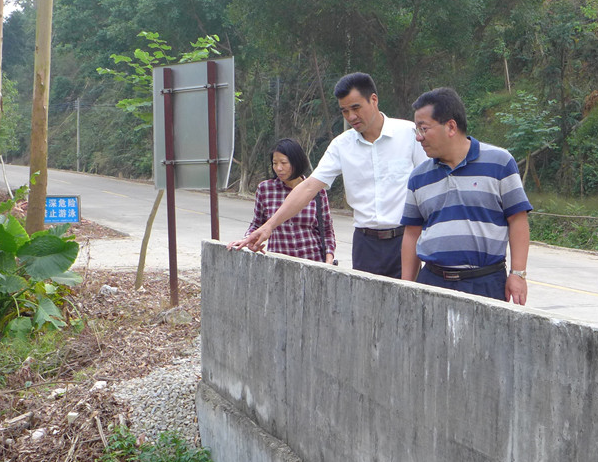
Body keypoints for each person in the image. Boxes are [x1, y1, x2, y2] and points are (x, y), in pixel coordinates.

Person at [228, 72, 427, 277]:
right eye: (344, 111)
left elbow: (429, 185)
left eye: (356, 108)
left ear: (374, 100)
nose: (351, 117)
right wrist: (268, 226)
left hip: (405, 238)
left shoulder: (409, 134)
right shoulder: (342, 145)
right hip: (365, 243)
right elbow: (308, 187)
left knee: (406, 294)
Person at [400, 87, 532, 304]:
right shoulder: (418, 177)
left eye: (424, 128)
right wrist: (406, 285)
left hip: (485, 282)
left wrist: (518, 274)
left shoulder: (500, 163)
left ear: (451, 126)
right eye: (417, 129)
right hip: (432, 281)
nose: (418, 137)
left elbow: (517, 219)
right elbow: (412, 233)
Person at [244, 138, 336, 263]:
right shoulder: (265, 189)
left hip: (312, 262)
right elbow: (257, 224)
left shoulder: (317, 190)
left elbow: (327, 230)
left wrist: (328, 260)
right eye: (275, 163)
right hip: (278, 263)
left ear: (296, 162)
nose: (278, 168)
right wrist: (248, 239)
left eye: (283, 163)